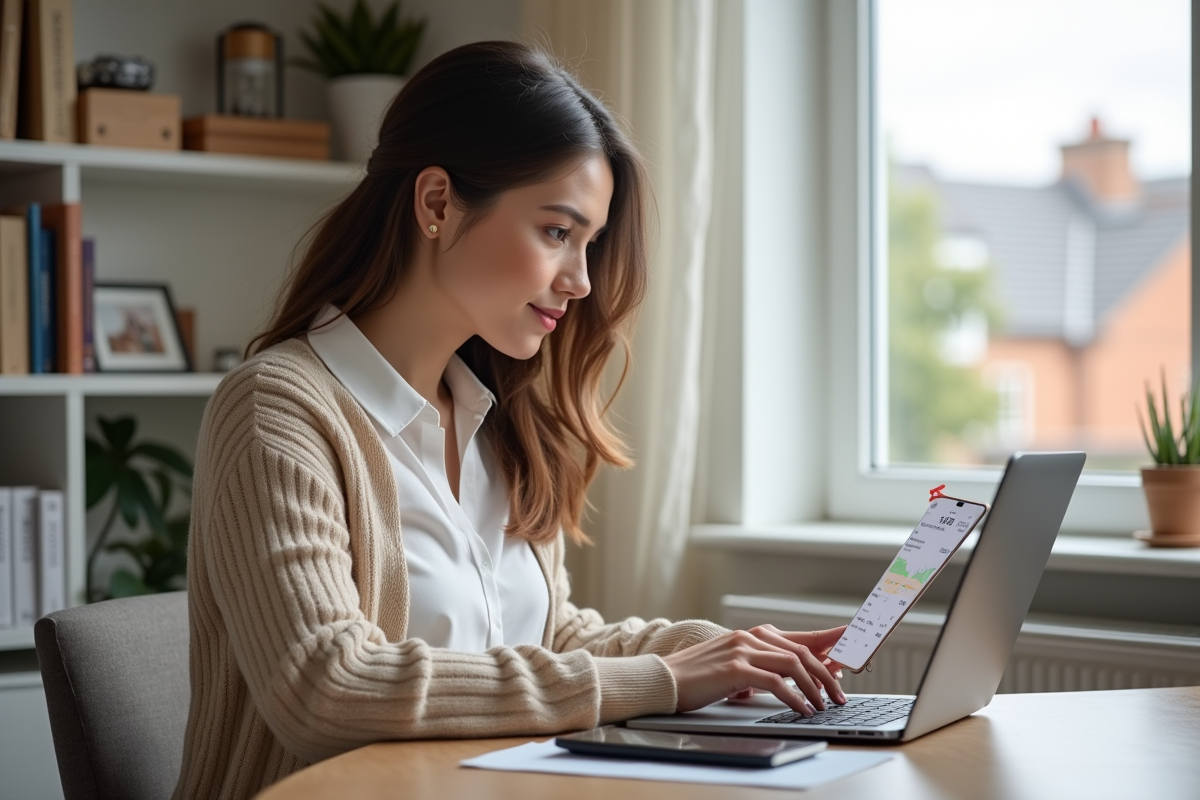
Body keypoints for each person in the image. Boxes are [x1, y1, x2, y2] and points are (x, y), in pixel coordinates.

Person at [173, 40, 846, 800]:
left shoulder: (501, 419)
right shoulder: (278, 409)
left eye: (587, 244)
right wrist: (660, 679)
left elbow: (550, 642)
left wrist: (724, 655)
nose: (582, 281)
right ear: (436, 203)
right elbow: (326, 685)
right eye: (558, 233)